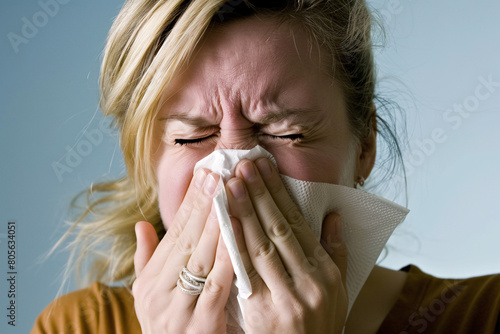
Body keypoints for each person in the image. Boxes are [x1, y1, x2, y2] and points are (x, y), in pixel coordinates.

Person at [32, 0, 500, 333]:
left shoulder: (482, 316)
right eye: (190, 137)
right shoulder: (77, 327)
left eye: (286, 133)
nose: (235, 174)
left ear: (365, 145)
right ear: (145, 163)